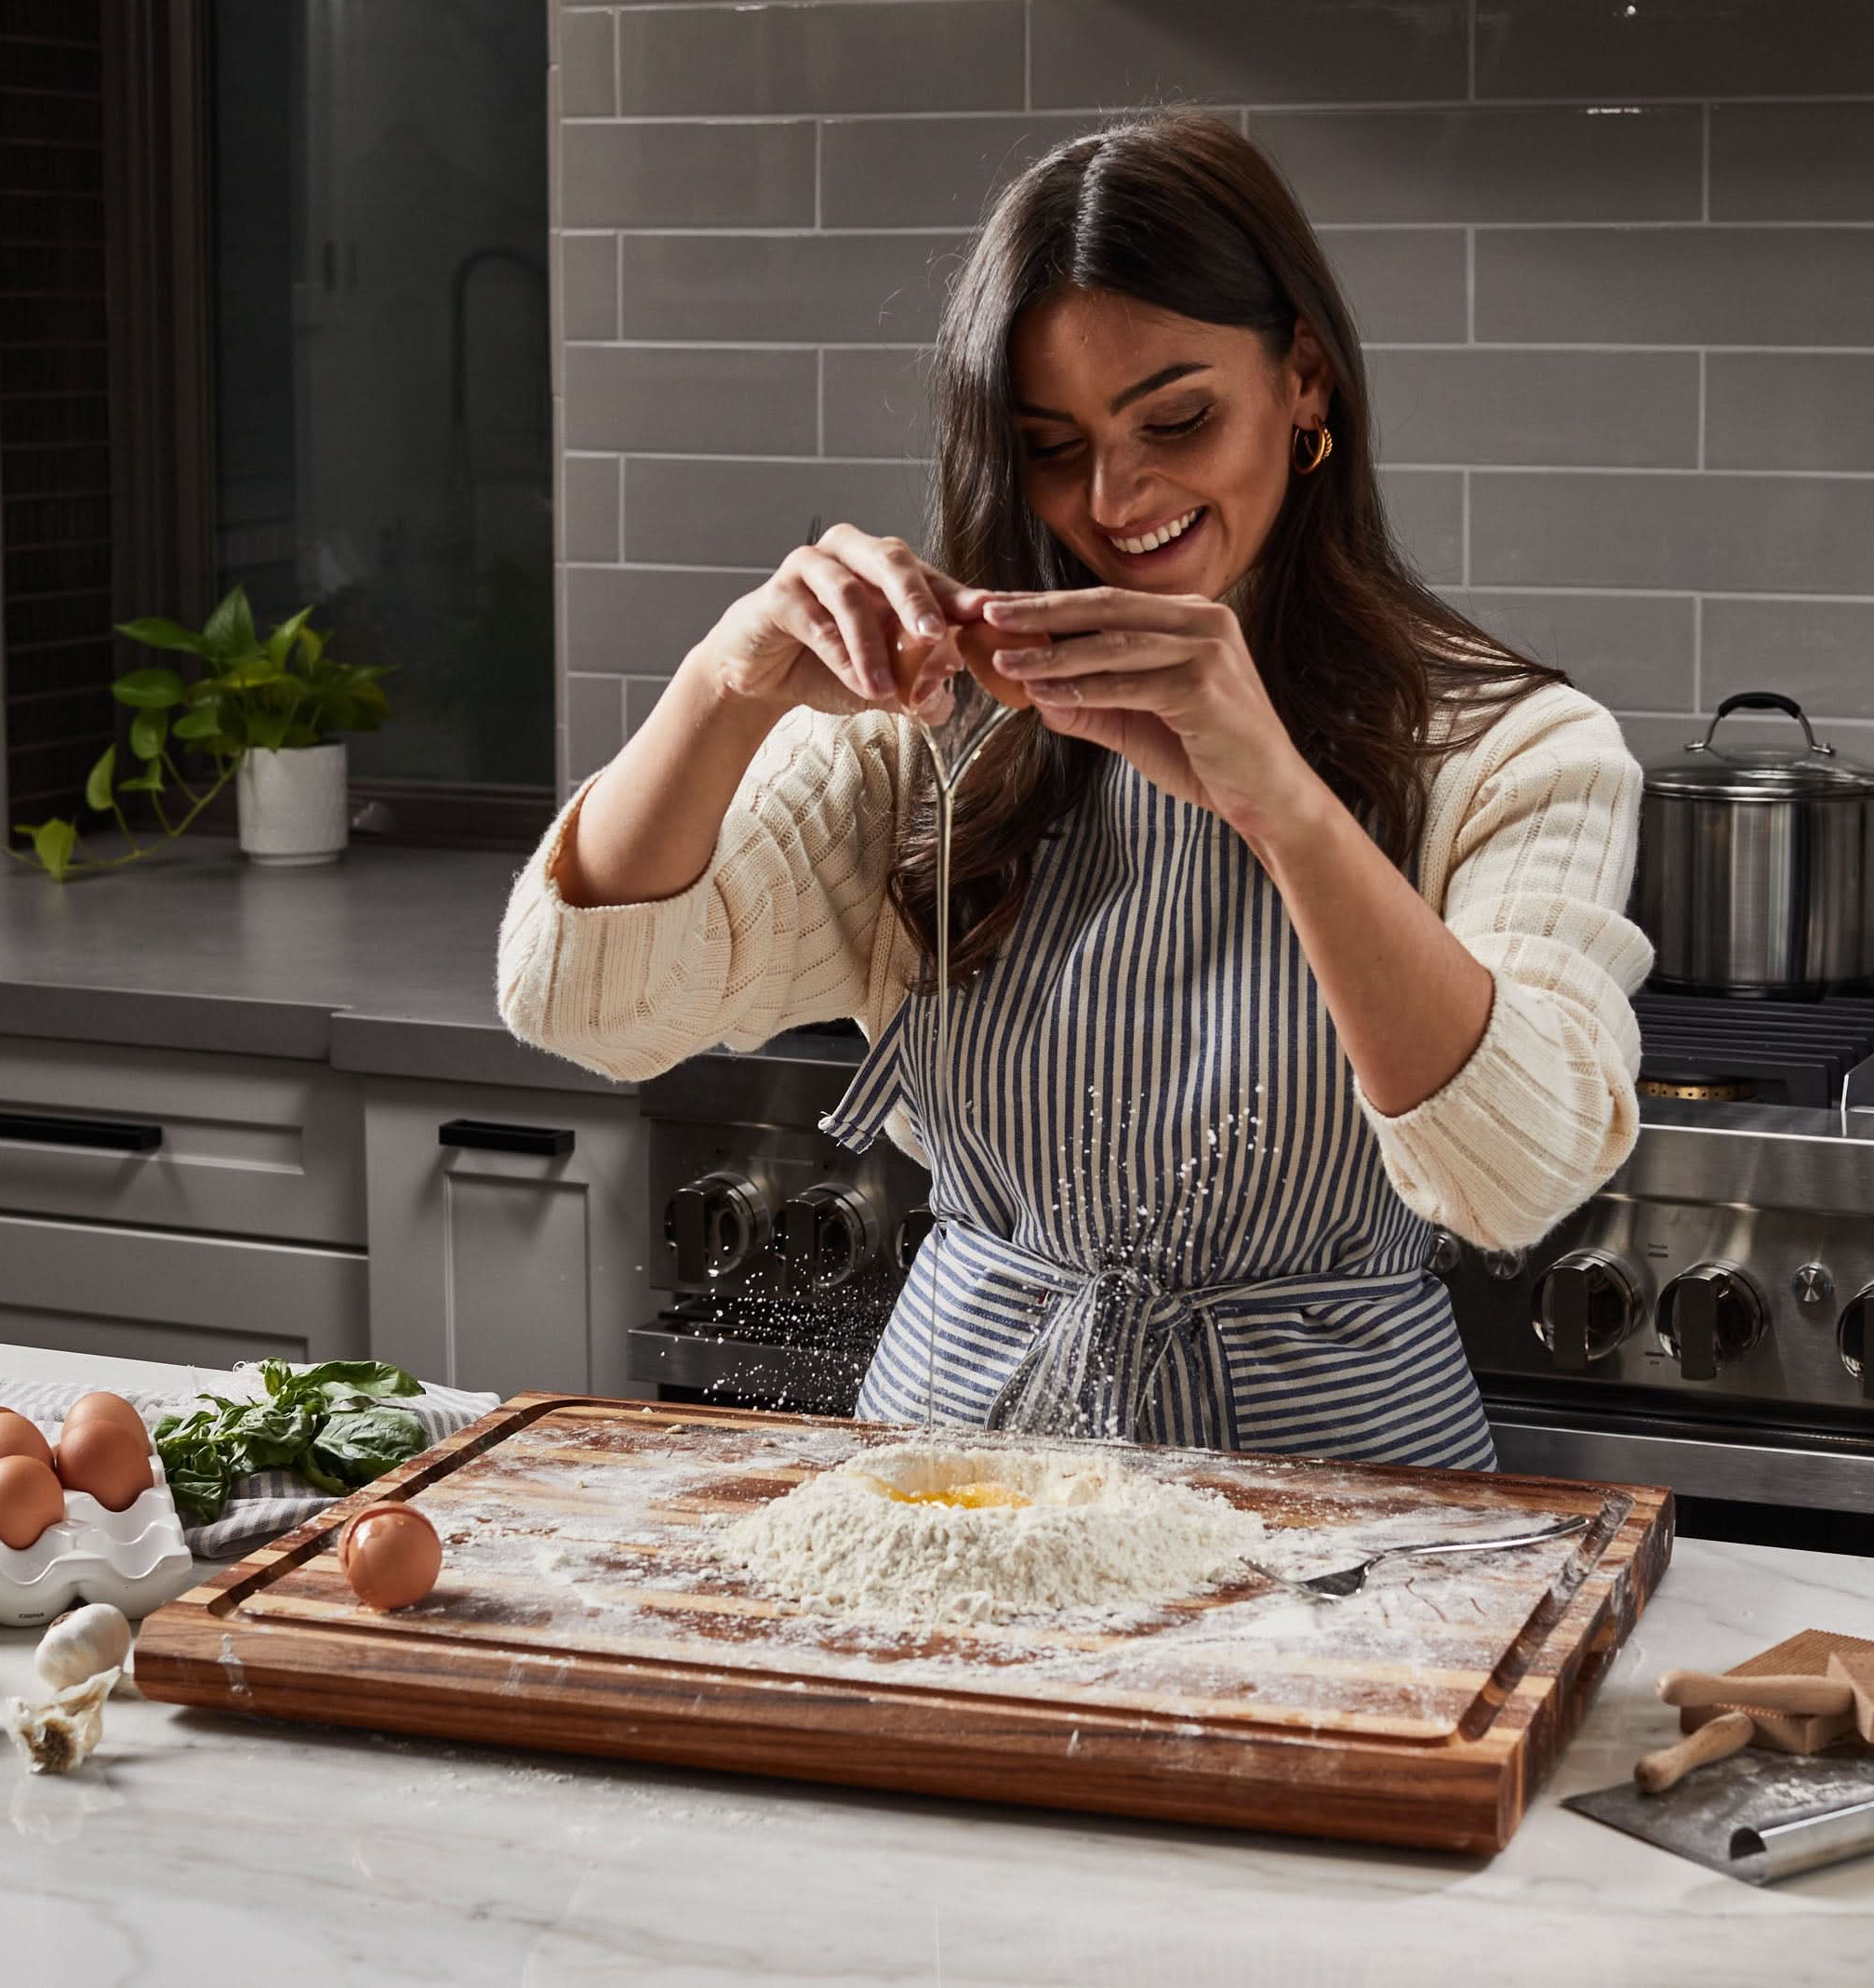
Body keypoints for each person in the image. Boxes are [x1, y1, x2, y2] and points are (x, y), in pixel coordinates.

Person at [497, 107, 1652, 1469]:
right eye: (1052, 444)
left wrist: (1279, 802)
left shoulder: (1512, 747)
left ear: (1305, 381)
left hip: (1350, 1507)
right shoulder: (929, 728)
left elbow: (1514, 1177)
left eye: (1177, 418)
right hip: (956, 1478)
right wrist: (722, 689)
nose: (1113, 497)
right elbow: (586, 1005)